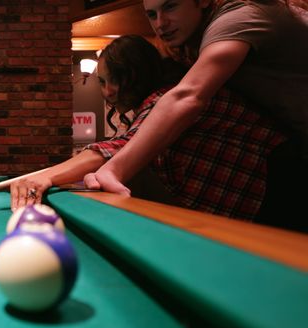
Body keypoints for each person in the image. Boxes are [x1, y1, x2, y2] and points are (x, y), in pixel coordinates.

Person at [10, 35, 289, 227]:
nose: (108, 93)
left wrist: (41, 178)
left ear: (137, 73)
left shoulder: (165, 96)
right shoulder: (160, 96)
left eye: (115, 81)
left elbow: (118, 148)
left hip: (284, 191)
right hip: (259, 197)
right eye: (102, 82)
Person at [83, 0, 307, 230]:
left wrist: (113, 169)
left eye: (171, 6)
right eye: (151, 14)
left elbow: (188, 96)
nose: (160, 23)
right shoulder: (196, 43)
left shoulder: (237, 19)